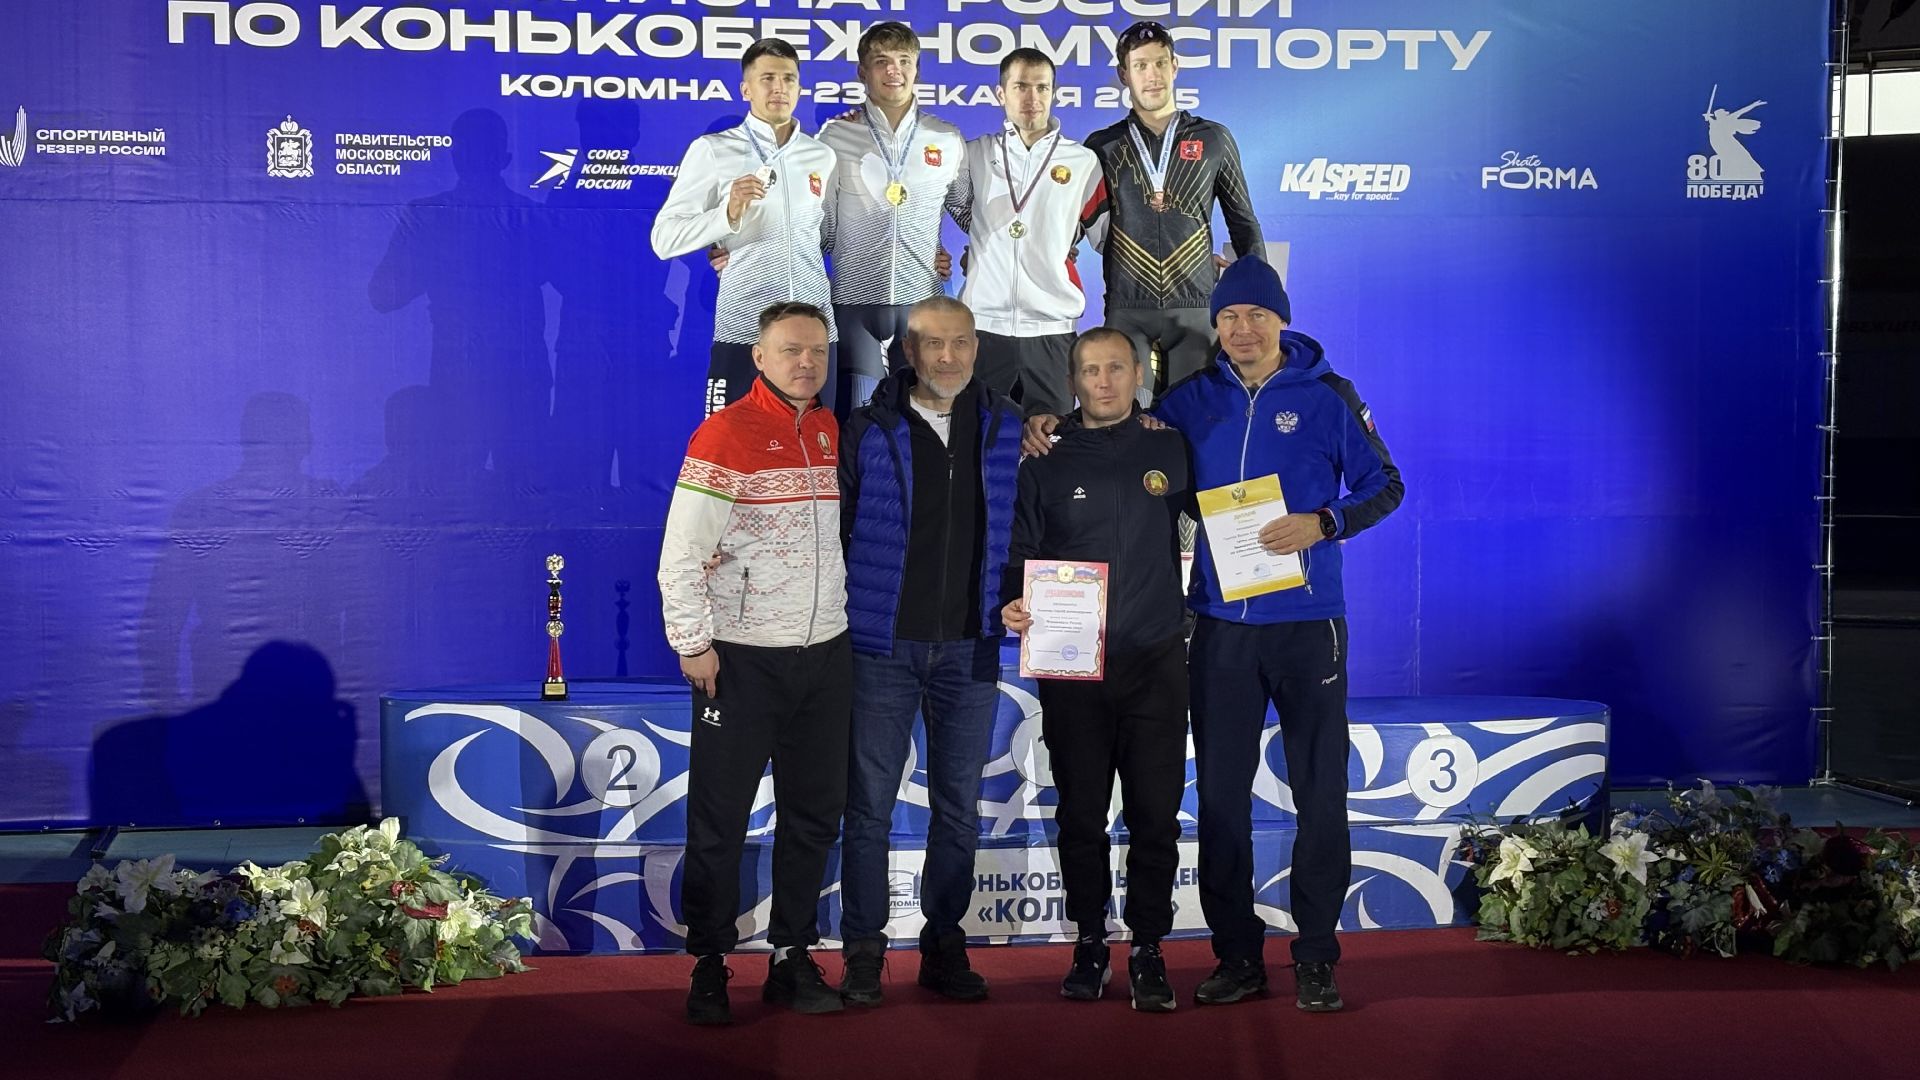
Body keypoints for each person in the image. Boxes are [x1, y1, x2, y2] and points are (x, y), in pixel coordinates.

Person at [1023, 257, 1403, 1011]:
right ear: (1215, 325)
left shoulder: (1329, 395)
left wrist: (1325, 523)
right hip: (1221, 628)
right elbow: (1117, 434)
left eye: (1257, 315)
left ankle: (1317, 955)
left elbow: (1385, 485)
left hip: (1308, 625)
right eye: (1229, 316)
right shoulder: (1188, 402)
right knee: (1222, 801)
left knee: (1319, 791)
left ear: (1281, 319)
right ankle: (1237, 955)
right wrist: (1047, 425)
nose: (1242, 329)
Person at [656, 302, 851, 1025]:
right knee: (720, 820)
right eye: (790, 350)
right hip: (739, 660)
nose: (806, 362)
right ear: (759, 358)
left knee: (812, 817)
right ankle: (709, 961)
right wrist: (692, 642)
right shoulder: (725, 432)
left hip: (825, 655)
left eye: (817, 351)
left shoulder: (830, 430)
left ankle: (791, 956)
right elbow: (682, 551)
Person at [835, 296, 1024, 1005]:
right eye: (933, 344)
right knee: (869, 811)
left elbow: (1025, 528)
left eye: (961, 343)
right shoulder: (867, 428)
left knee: (958, 811)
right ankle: (863, 950)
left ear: (976, 348)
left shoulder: (1008, 425)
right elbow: (837, 529)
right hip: (881, 649)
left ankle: (945, 943)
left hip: (972, 650)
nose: (948, 357)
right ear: (908, 352)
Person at [999, 327, 1192, 1011]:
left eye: (1115, 368)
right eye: (1090, 370)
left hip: (1156, 662)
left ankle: (1149, 947)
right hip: (1073, 667)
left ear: (1138, 373)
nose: (1103, 381)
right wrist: (1011, 602)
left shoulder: (1171, 448)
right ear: (1072, 380)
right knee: (1081, 814)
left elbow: (1225, 523)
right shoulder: (1044, 458)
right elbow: (1019, 553)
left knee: (1155, 816)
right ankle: (1088, 941)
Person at [652, 39, 838, 415]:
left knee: (812, 444)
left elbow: (828, 236)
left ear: (799, 88)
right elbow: (664, 238)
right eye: (767, 78)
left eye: (788, 79)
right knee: (729, 446)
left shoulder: (821, 156)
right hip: (744, 331)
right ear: (746, 89)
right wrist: (726, 215)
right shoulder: (713, 150)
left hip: (814, 336)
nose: (779, 88)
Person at [1081, 20, 1264, 398]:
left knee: (1194, 422)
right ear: (1123, 74)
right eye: (1141, 65)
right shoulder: (1101, 146)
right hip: (1127, 308)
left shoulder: (1214, 138)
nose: (1152, 75)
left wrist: (1259, 295)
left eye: (1160, 63)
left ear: (1175, 66)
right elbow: (1069, 225)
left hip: (1195, 311)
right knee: (1126, 422)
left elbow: (1243, 223)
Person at [814, 21, 968, 415]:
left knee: (924, 425)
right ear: (862, 71)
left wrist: (1046, 238)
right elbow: (817, 225)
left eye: (903, 60)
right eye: (881, 61)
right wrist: (742, 245)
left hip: (923, 304)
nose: (893, 70)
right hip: (853, 304)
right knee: (858, 423)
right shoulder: (835, 136)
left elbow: (969, 213)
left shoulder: (946, 138)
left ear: (917, 69)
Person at [953, 48, 1103, 420]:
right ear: (1001, 93)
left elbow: (1108, 239)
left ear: (1053, 93)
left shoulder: (1083, 162)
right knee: (980, 441)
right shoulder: (973, 154)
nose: (1032, 98)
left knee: (1052, 444)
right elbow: (920, 201)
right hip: (984, 327)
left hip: (1052, 329)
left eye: (1042, 87)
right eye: (1021, 86)